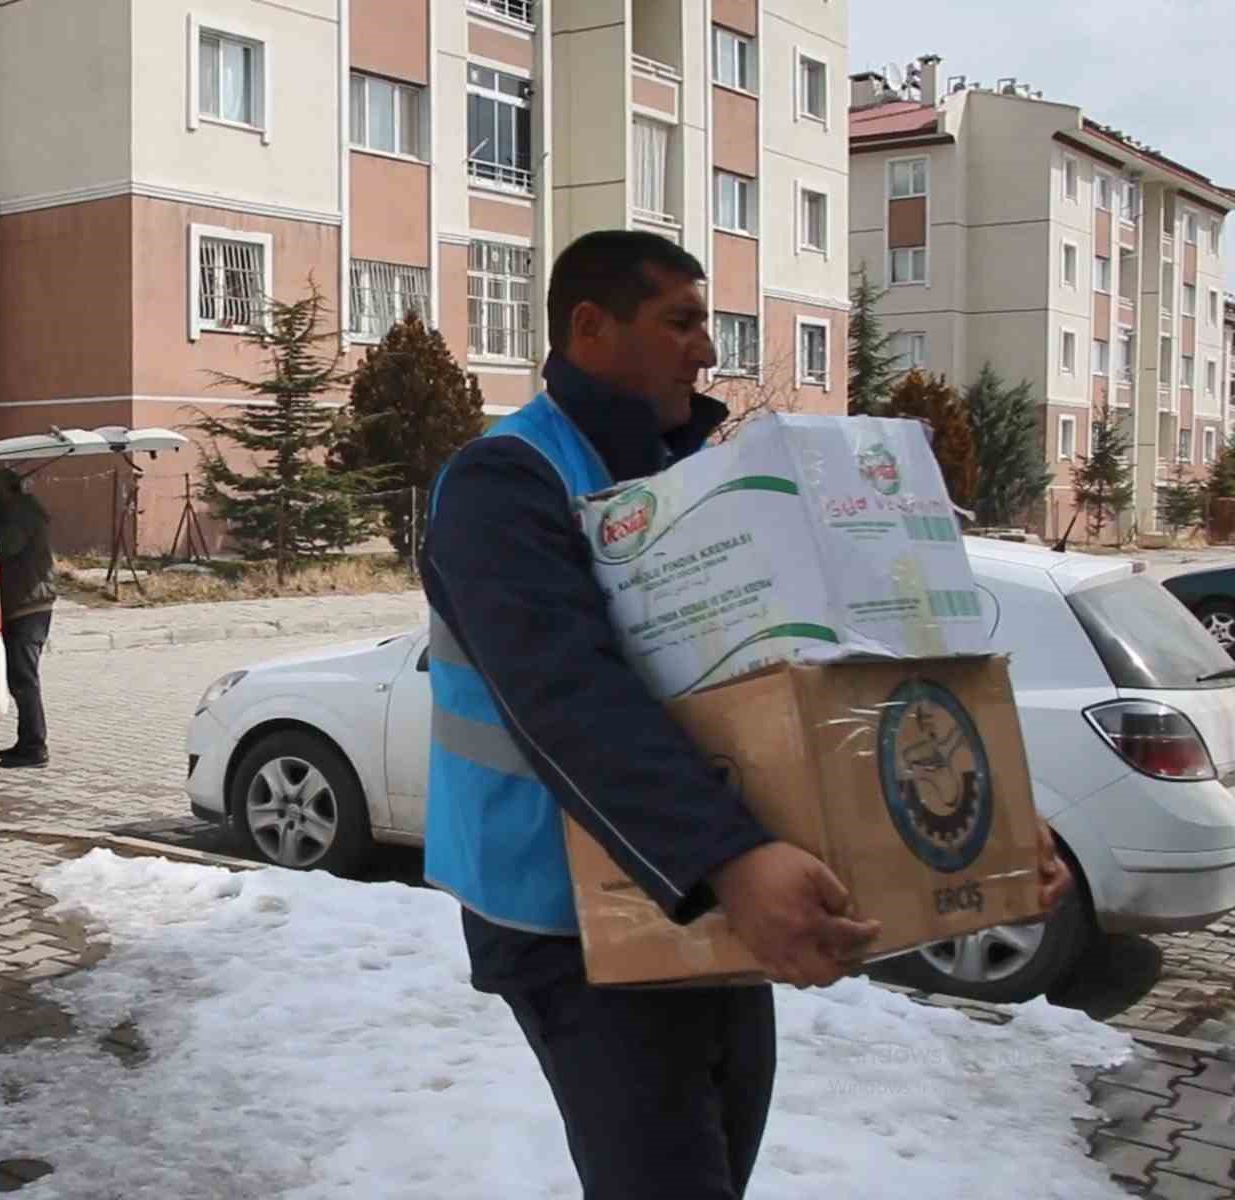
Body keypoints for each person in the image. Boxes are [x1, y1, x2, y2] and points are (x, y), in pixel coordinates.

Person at [418, 229, 1072, 1199]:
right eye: (680, 321)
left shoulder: (686, 477)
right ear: (590, 328)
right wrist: (726, 857)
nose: (705, 350)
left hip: (694, 885)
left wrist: (989, 826)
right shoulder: (503, 479)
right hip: (567, 915)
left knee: (719, 1157)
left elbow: (798, 689)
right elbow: (567, 691)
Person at [0, 468, 55, 769]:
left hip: (30, 605)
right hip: (24, 603)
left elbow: (5, 547)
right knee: (19, 678)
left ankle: (35, 746)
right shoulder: (18, 510)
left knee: (25, 679)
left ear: (6, 490)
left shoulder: (20, 515)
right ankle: (26, 740)